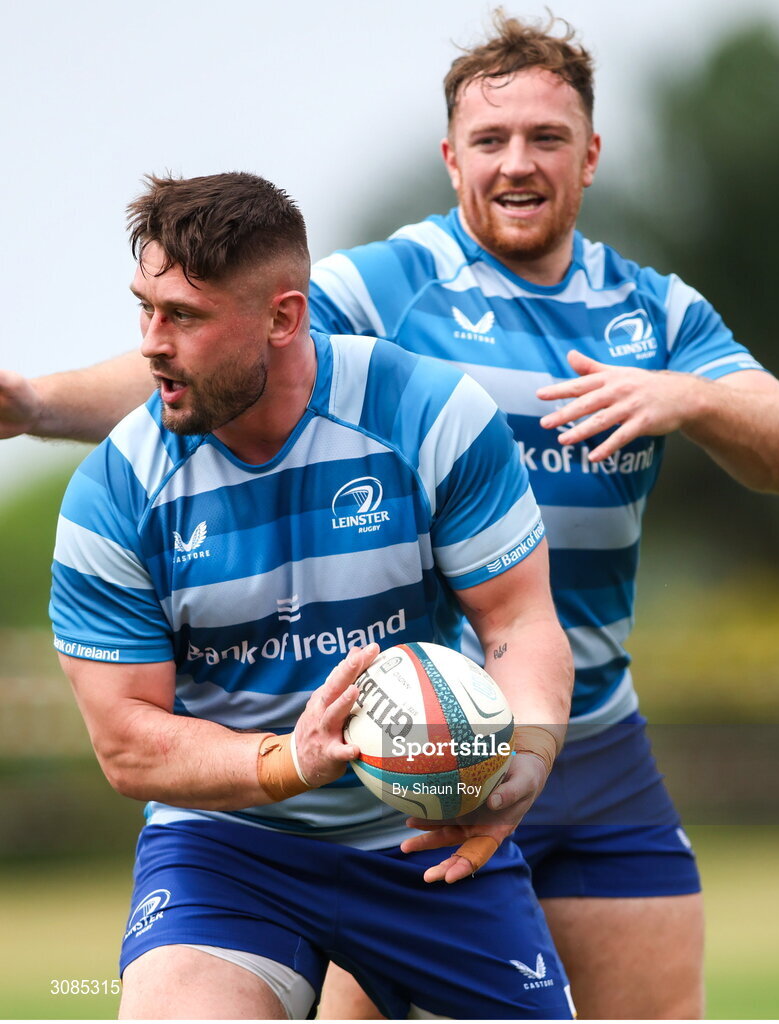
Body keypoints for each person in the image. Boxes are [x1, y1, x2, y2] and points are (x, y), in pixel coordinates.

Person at [1, 11, 779, 1021]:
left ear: (591, 155)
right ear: (452, 158)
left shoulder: (654, 313)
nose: (517, 163)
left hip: (591, 722)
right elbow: (214, 352)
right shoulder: (386, 288)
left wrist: (685, 396)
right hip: (415, 732)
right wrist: (39, 405)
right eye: (491, 140)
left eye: (546, 139)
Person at [48, 170, 576, 1020]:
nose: (150, 343)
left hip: (421, 832)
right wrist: (289, 762)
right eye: (145, 308)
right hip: (228, 845)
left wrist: (529, 758)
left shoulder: (430, 416)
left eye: (183, 316)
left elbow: (518, 619)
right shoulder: (115, 492)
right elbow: (127, 743)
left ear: (284, 317)